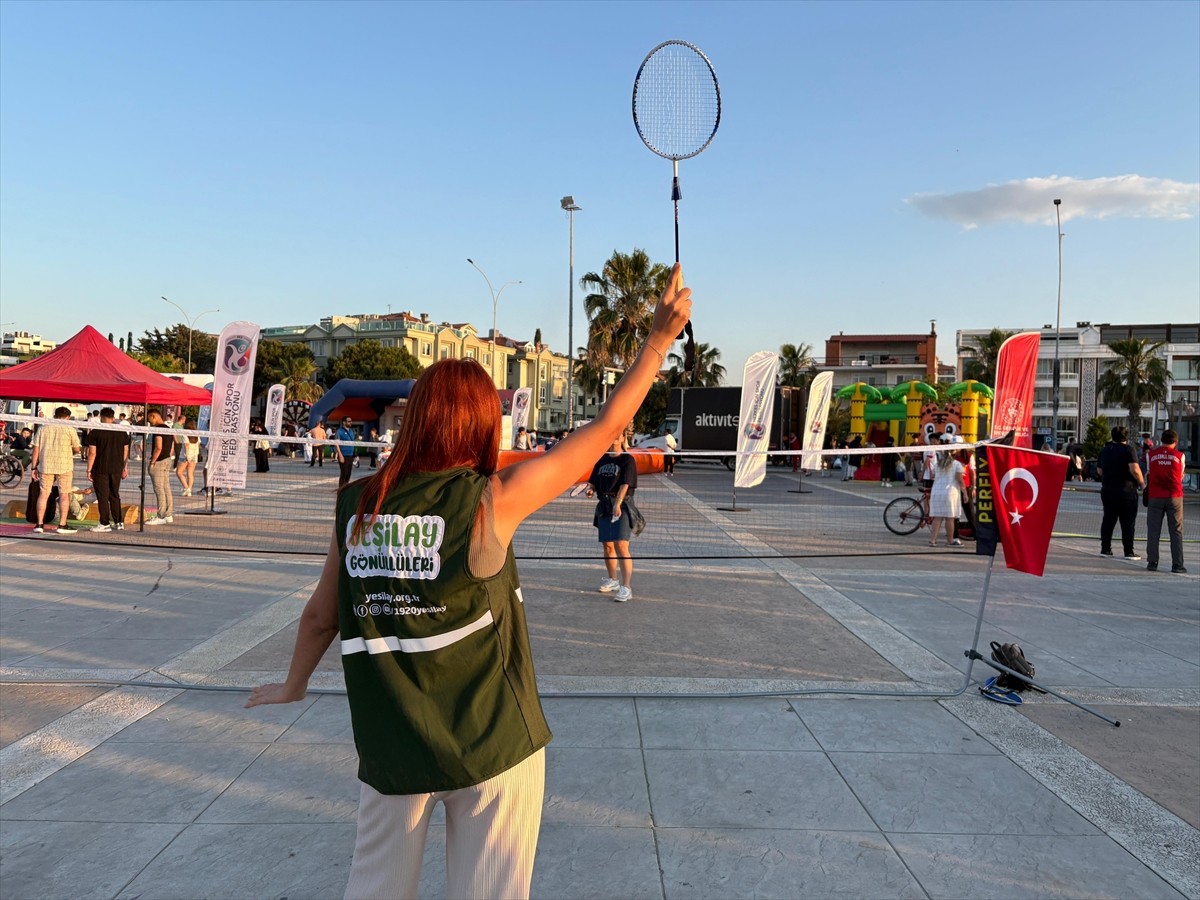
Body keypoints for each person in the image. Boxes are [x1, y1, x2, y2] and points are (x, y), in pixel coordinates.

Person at [245, 263, 691, 900]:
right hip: (492, 744)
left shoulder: (358, 505)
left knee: (373, 889)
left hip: (392, 743)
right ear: (482, 423)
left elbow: (323, 614)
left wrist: (293, 685)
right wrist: (656, 343)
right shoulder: (489, 500)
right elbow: (597, 437)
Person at [587, 432, 640, 602]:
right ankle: (613, 580)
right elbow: (593, 481)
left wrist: (618, 502)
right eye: (611, 435)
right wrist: (590, 489)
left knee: (622, 545)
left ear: (623, 438)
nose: (614, 439)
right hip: (603, 505)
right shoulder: (601, 459)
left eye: (618, 436)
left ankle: (626, 587)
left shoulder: (627, 459)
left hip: (622, 505)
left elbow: (626, 483)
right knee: (608, 546)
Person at [29, 407, 82, 534]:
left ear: (55, 415)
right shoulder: (70, 429)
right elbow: (77, 449)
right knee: (64, 494)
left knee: (43, 494)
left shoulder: (43, 428)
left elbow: (35, 449)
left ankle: (39, 524)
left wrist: (33, 467)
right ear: (68, 417)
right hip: (65, 466)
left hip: (46, 465)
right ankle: (62, 525)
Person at [1097, 425, 1145, 560]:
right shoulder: (1129, 450)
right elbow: (1134, 469)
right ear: (1126, 436)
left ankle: (1105, 549)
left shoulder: (1105, 450)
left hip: (1107, 489)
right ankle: (1128, 551)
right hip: (1126, 490)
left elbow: (1099, 471)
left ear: (1112, 436)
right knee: (1127, 522)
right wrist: (1142, 484)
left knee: (1108, 520)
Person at [1145, 429, 1186, 574]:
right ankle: (1177, 564)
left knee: (1153, 530)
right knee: (1176, 531)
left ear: (1161, 440)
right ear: (1175, 442)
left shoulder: (1151, 455)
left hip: (1155, 495)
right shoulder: (1180, 456)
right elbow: (1180, 476)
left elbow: (1149, 473)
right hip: (1174, 496)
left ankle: (1152, 561)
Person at [86, 407, 130, 532]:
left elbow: (92, 453)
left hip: (100, 468)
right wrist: (124, 467)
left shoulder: (96, 432)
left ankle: (104, 523)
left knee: (103, 496)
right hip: (117, 468)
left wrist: (89, 469)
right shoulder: (122, 431)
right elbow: (125, 451)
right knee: (114, 495)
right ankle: (118, 521)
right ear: (113, 417)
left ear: (101, 417)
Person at [145, 409, 177, 526]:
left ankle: (161, 515)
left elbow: (158, 447)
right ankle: (169, 514)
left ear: (153, 416)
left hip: (159, 462)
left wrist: (152, 461)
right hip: (167, 460)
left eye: (149, 418)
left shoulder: (158, 430)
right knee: (166, 487)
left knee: (159, 489)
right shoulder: (168, 429)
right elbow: (172, 446)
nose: (149, 422)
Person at [927, 449, 965, 547]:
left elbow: (933, 476)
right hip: (950, 493)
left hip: (936, 492)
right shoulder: (957, 464)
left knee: (937, 518)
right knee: (950, 519)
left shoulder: (937, 465)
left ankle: (933, 540)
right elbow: (960, 480)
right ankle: (950, 540)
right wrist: (965, 493)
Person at [175, 416, 201, 496]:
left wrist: (187, 455)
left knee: (179, 472)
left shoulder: (185, 433)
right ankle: (189, 489)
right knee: (190, 473)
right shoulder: (197, 434)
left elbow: (186, 445)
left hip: (185, 455)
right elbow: (199, 444)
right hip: (194, 455)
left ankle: (186, 488)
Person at [334, 416, 357, 488]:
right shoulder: (339, 431)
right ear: (344, 422)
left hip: (350, 455)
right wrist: (340, 455)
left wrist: (356, 455)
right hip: (343, 455)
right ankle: (341, 489)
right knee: (344, 473)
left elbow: (353, 443)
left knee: (348, 474)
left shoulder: (351, 431)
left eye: (351, 421)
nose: (351, 422)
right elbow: (336, 443)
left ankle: (346, 487)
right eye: (349, 421)